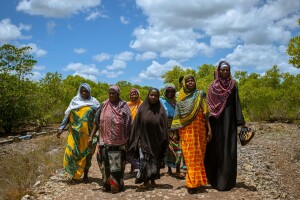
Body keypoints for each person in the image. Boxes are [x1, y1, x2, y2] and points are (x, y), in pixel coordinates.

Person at [205, 61, 246, 191]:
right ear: (218, 71)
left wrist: (240, 120)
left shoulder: (233, 86)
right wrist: (208, 126)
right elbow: (209, 105)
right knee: (215, 150)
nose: (225, 72)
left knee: (228, 150)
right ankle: (213, 178)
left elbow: (236, 103)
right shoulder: (212, 86)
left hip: (229, 123)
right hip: (215, 123)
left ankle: (226, 182)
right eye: (222, 70)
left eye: (227, 70)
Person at [171, 75, 212, 194]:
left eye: (192, 80)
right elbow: (177, 116)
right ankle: (191, 183)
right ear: (184, 83)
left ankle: (197, 181)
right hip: (186, 132)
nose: (190, 83)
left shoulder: (200, 95)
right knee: (190, 157)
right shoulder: (180, 98)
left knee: (199, 156)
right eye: (188, 81)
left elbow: (206, 113)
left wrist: (209, 129)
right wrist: (176, 133)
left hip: (200, 130)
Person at [88, 85, 132, 193]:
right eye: (110, 93)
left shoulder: (124, 106)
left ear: (118, 94)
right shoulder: (103, 105)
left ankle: (116, 186)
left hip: (119, 143)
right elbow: (96, 122)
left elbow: (129, 123)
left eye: (114, 93)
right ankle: (106, 184)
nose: (112, 95)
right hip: (104, 141)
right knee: (105, 164)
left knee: (116, 165)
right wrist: (91, 136)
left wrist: (128, 139)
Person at [56, 83, 100, 182]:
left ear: (89, 92)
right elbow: (67, 115)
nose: (84, 92)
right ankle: (73, 174)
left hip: (89, 134)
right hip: (74, 134)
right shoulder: (74, 101)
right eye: (82, 91)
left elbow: (99, 118)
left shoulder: (94, 103)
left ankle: (85, 175)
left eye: (86, 91)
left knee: (87, 154)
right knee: (71, 152)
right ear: (79, 91)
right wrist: (61, 128)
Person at [128, 88, 169, 189]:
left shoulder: (161, 108)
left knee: (155, 160)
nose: (153, 97)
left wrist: (164, 138)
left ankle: (153, 180)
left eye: (155, 95)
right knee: (145, 160)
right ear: (148, 95)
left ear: (158, 97)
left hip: (156, 140)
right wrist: (134, 138)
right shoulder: (142, 108)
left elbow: (164, 125)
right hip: (143, 139)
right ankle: (145, 181)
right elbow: (136, 123)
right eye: (151, 95)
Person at [160, 83, 184, 178]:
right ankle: (169, 169)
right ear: (165, 91)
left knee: (178, 149)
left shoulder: (177, 101)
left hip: (176, 127)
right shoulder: (161, 100)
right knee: (167, 149)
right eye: (168, 91)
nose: (170, 93)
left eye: (172, 91)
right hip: (165, 127)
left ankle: (178, 169)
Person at [127, 88, 143, 173]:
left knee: (138, 147)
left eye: (135, 94)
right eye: (132, 94)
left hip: (139, 130)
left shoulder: (142, 104)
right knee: (130, 148)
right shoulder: (127, 105)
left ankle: (139, 167)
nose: (134, 96)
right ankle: (132, 167)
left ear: (138, 95)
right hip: (129, 130)